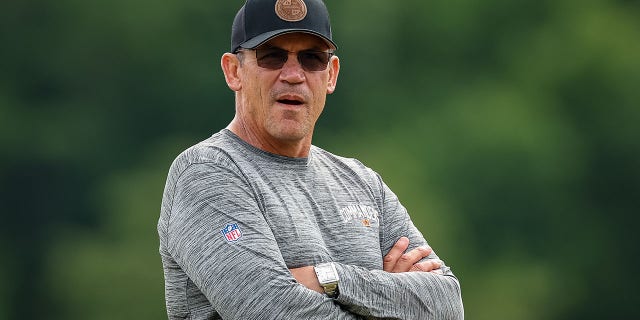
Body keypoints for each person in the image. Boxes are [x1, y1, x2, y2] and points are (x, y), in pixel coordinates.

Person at [158, 0, 464, 319]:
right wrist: (389, 297)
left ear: (330, 75)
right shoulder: (207, 173)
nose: (293, 75)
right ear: (233, 71)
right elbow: (270, 309)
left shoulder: (363, 183)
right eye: (272, 56)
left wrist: (328, 278)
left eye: (312, 59)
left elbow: (447, 304)